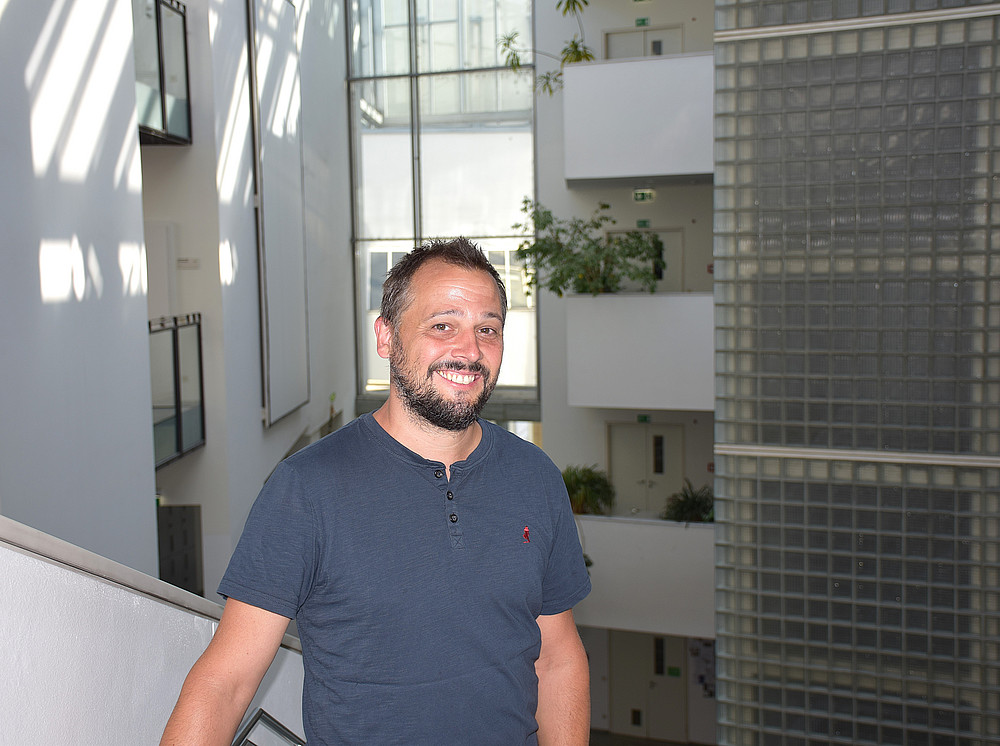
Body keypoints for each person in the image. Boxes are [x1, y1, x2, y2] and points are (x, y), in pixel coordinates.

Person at [160, 238, 592, 745]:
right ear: (386, 338)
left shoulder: (535, 478)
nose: (470, 351)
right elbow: (224, 684)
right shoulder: (307, 488)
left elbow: (557, 657)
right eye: (443, 325)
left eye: (488, 330)